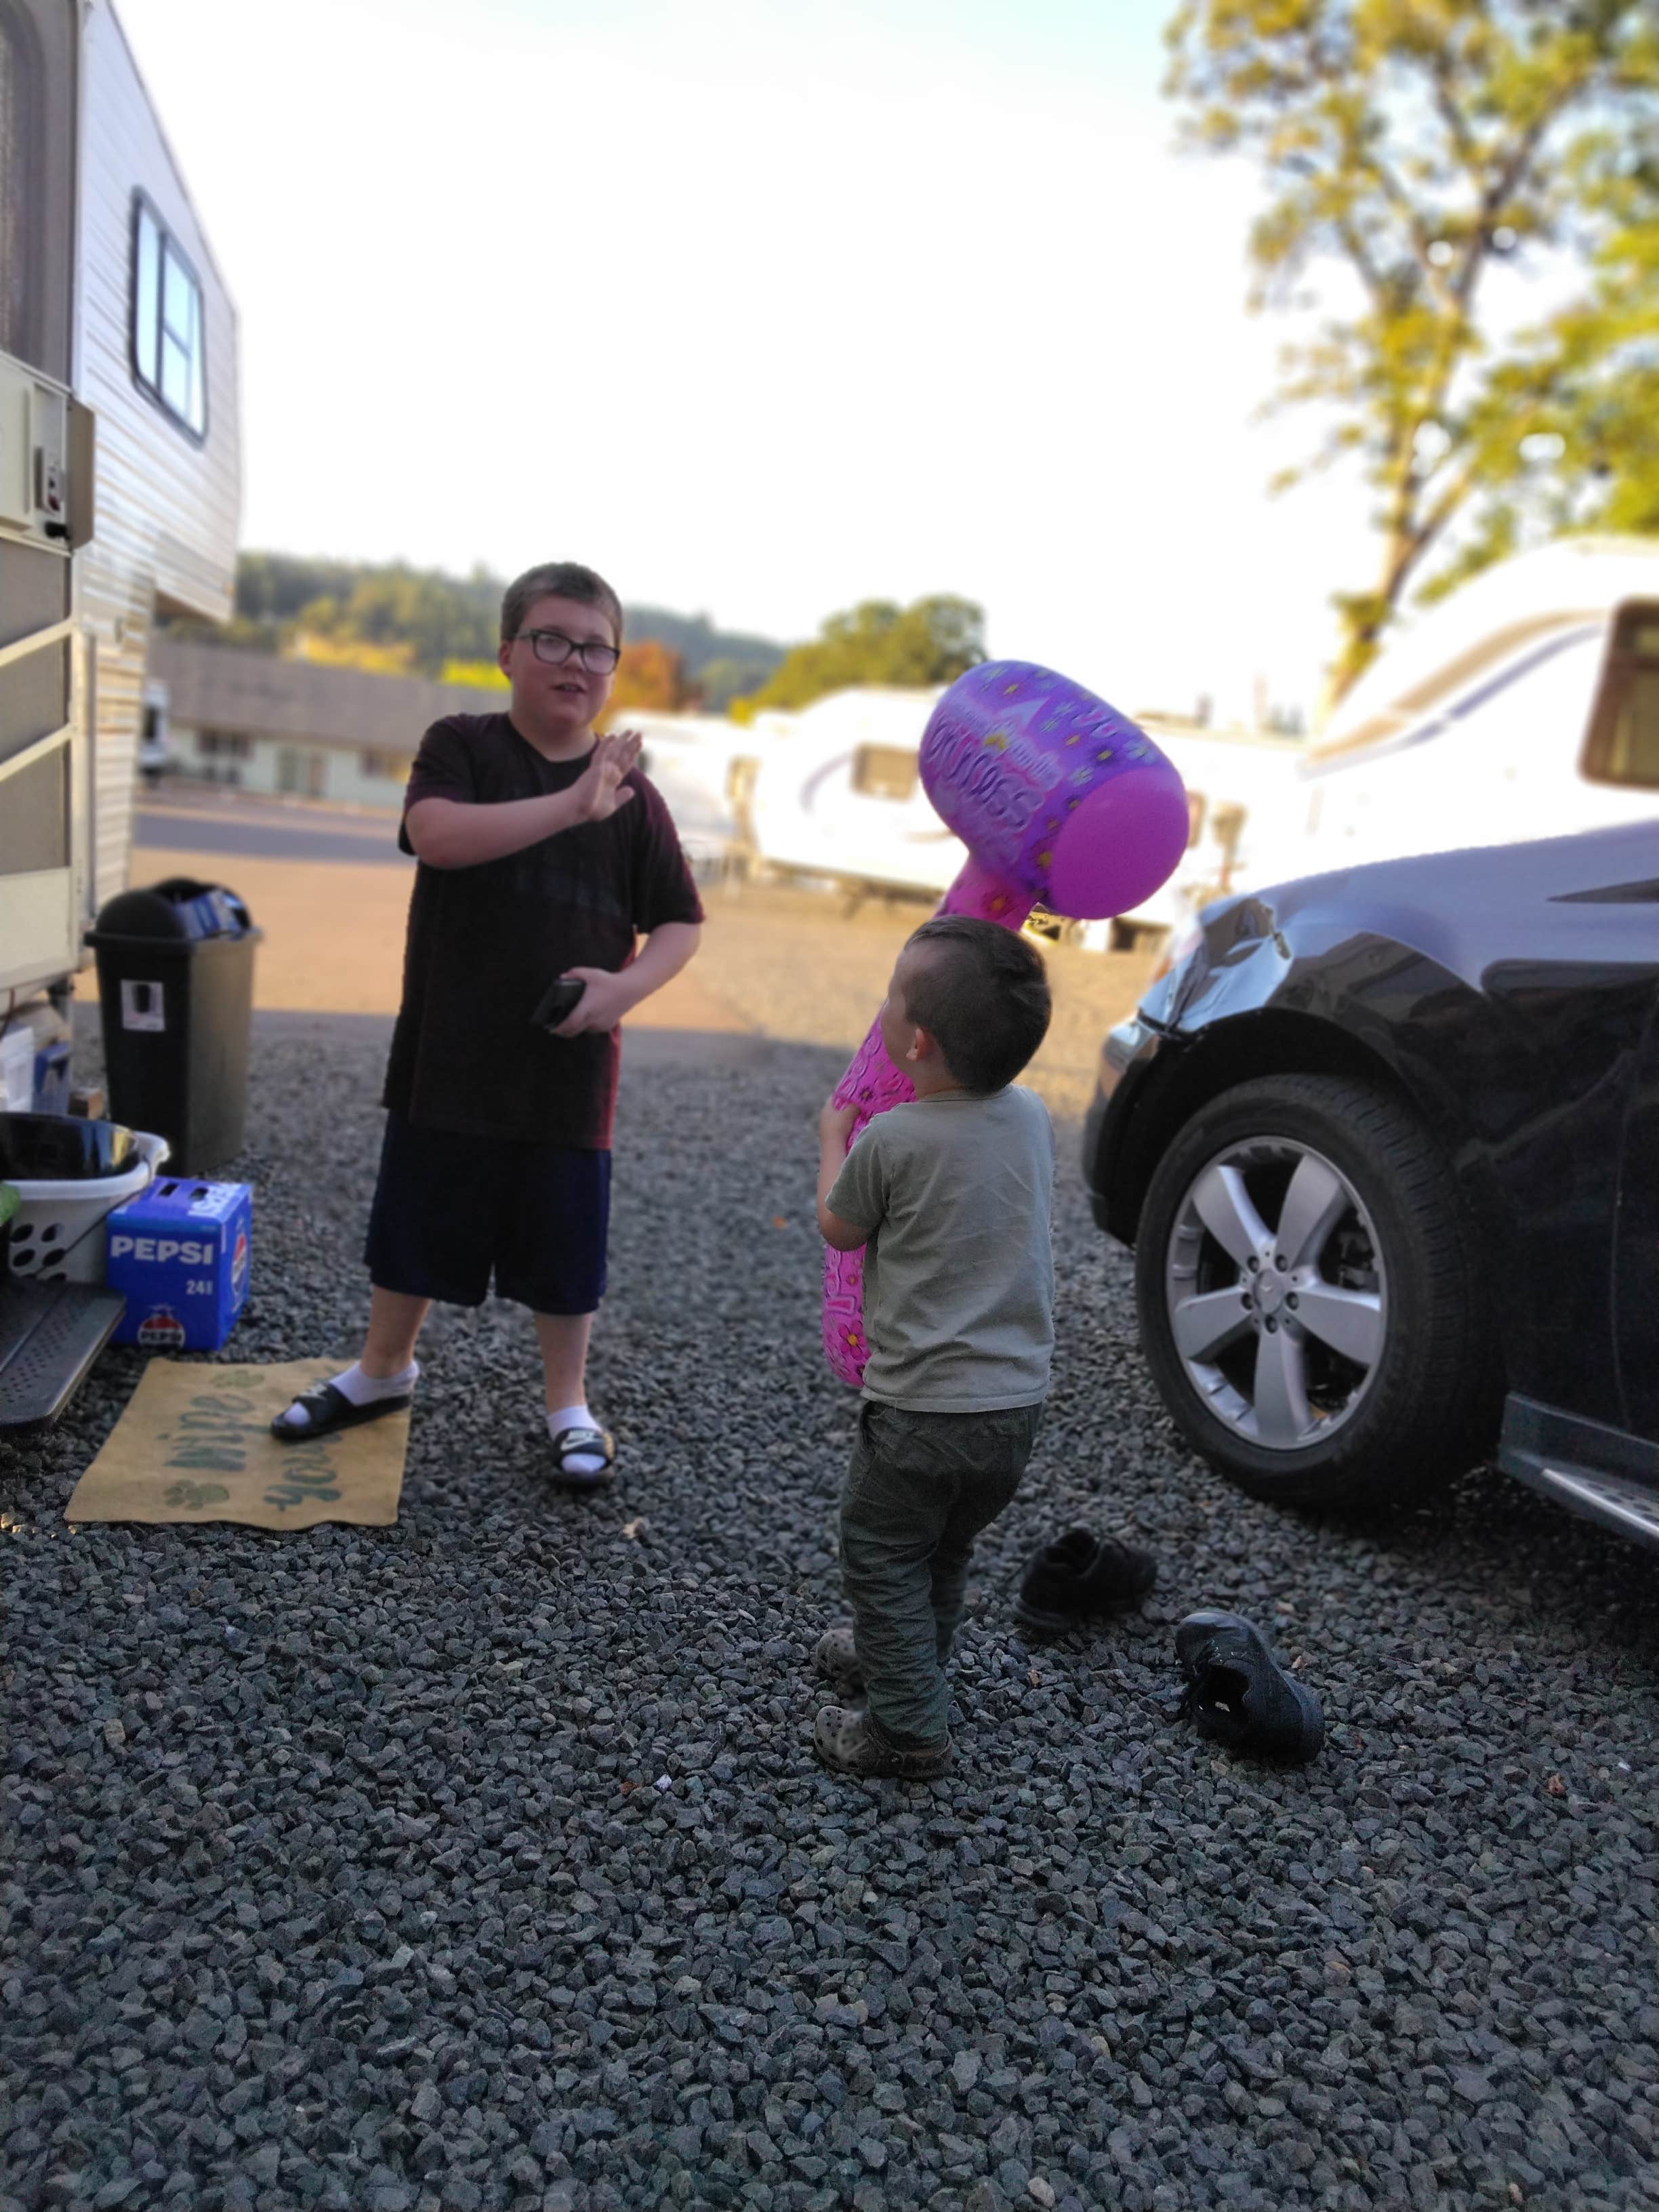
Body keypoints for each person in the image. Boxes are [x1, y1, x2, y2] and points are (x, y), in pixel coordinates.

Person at [272, 562, 704, 1486]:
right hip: (448, 1056)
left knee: (565, 1252)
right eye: (552, 639)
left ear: (613, 668)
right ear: (508, 652)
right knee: (415, 1227)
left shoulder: (638, 799)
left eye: (596, 648)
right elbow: (435, 835)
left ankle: (568, 1406)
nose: (575, 663)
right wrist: (571, 803)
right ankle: (382, 1372)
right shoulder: (461, 744)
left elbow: (681, 922)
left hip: (569, 1071)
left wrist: (624, 992)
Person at [811, 915, 1057, 1779]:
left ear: (915, 1040)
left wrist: (832, 1138)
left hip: (920, 1412)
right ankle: (908, 1664)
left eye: (890, 993)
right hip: (1015, 1411)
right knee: (942, 1549)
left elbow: (839, 1228)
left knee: (880, 1552)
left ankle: (904, 1731)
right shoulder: (1029, 1117)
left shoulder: (891, 1141)